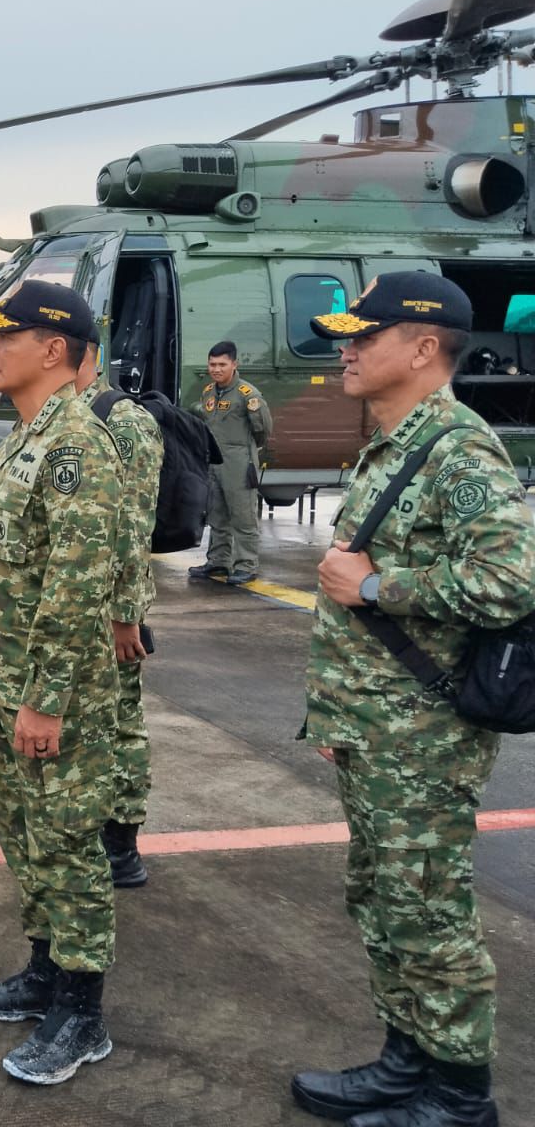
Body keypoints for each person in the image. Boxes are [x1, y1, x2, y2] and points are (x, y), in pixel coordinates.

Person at [290, 273, 535, 1127]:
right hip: (377, 725)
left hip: (425, 734)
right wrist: (339, 715)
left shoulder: (459, 448)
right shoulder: (396, 442)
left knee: (428, 910)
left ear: (425, 346)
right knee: (384, 898)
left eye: (364, 335)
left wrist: (378, 585)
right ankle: (408, 1060)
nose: (345, 350)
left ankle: (463, 1097)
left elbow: (510, 581)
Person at [0, 281, 121, 1086]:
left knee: (66, 842)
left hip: (48, 693)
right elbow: (1, 576)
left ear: (52, 349)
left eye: (4, 335)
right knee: (23, 833)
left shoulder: (74, 447)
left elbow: (77, 584)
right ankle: (46, 969)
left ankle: (82, 1010)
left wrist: (44, 697)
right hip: (2, 679)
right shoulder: (27, 438)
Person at [74, 340, 164, 888]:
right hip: (73, 605)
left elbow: (133, 523)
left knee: (120, 723)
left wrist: (125, 613)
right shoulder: (60, 417)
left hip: (111, 611)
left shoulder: (122, 421)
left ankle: (121, 844)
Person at [190, 340, 272, 585]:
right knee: (217, 514)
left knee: (242, 515)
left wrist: (246, 452)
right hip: (215, 461)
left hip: (239, 461)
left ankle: (246, 565)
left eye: (222, 364)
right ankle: (218, 561)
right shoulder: (208, 392)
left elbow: (263, 429)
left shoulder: (248, 395)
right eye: (212, 364)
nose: (216, 369)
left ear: (234, 364)